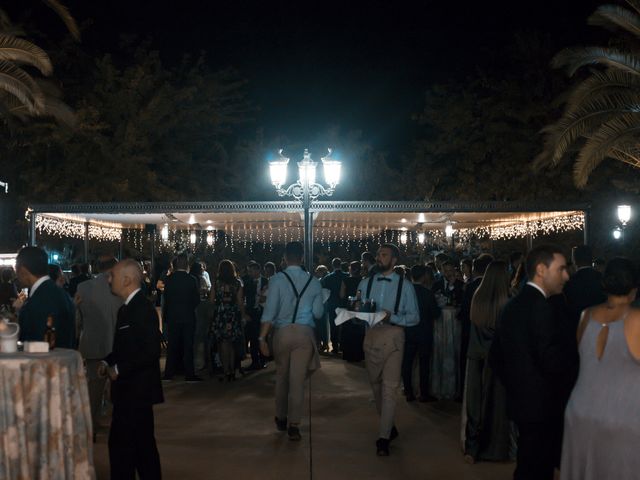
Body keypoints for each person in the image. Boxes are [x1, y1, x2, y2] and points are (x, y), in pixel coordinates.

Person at [489, 245, 576, 480]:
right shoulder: (541, 307)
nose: (566, 276)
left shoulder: (512, 305)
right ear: (541, 269)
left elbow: (495, 357)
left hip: (522, 403)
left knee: (528, 463)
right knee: (537, 467)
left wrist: (516, 385)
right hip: (542, 405)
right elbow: (551, 360)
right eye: (561, 269)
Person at [560, 258, 640, 480]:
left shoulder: (585, 316)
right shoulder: (636, 320)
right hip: (623, 419)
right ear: (634, 287)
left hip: (580, 412)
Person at [101, 259, 163, 479]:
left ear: (126, 279)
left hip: (137, 391)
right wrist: (107, 362)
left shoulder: (142, 309)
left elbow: (150, 350)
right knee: (136, 448)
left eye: (112, 276)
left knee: (131, 448)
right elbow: (123, 348)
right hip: (129, 392)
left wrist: (118, 369)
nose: (108, 279)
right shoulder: (126, 309)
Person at [358, 243, 419, 456]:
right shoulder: (365, 283)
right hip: (372, 335)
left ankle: (383, 439)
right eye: (378, 254)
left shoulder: (406, 286)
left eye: (384, 255)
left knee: (390, 388)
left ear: (394, 260)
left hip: (394, 336)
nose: (379, 257)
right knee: (375, 386)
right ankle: (389, 426)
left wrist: (392, 316)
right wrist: (357, 311)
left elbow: (414, 318)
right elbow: (359, 308)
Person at [259, 241, 324, 441]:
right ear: (302, 258)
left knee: (282, 376)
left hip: (283, 332)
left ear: (285, 258)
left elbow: (269, 311)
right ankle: (294, 425)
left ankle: (281, 417)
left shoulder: (277, 280)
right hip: (304, 333)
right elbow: (318, 313)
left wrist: (262, 337)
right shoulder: (314, 282)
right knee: (298, 381)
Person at [464, 261, 511, 463]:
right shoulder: (507, 300)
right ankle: (494, 448)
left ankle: (472, 448)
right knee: (495, 405)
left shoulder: (478, 297)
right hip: (497, 358)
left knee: (474, 404)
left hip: (475, 355)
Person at [76, 255, 122, 439]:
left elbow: (78, 319)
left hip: (94, 344)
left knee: (94, 389)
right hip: (118, 345)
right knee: (120, 388)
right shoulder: (120, 288)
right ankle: (118, 424)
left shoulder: (84, 288)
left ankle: (91, 425)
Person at [15, 246, 75, 348]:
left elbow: (36, 344)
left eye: (16, 268)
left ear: (23, 270)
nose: (16, 274)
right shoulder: (59, 293)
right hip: (62, 359)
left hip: (44, 361)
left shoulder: (40, 299)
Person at [402, 264, 440, 402]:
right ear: (424, 276)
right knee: (424, 364)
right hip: (424, 331)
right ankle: (424, 393)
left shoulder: (405, 292)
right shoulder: (427, 293)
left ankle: (408, 391)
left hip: (409, 331)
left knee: (407, 362)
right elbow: (436, 313)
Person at [458, 254, 494, 399]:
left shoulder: (471, 287)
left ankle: (464, 393)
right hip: (489, 331)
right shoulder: (493, 287)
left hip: (471, 330)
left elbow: (465, 311)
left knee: (467, 363)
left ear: (474, 269)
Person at [162, 253, 202, 382]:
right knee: (188, 346)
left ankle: (169, 373)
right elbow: (196, 300)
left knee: (172, 346)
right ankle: (189, 374)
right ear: (186, 264)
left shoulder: (169, 280)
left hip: (173, 316)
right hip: (188, 316)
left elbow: (166, 299)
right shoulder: (192, 280)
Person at [211, 260, 248, 381]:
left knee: (222, 343)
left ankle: (225, 370)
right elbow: (240, 301)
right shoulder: (237, 283)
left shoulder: (216, 283)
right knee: (232, 343)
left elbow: (212, 301)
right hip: (232, 315)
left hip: (221, 314)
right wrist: (243, 315)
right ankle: (232, 370)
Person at [242, 261, 268, 370]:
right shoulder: (247, 281)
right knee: (253, 337)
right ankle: (254, 361)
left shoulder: (266, 281)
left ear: (258, 270)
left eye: (251, 271)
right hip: (251, 312)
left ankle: (263, 360)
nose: (250, 273)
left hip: (263, 312)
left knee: (262, 336)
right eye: (249, 271)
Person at [340, 260, 366, 362]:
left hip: (349, 307)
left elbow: (342, 295)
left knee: (348, 331)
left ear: (351, 269)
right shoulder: (363, 280)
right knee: (359, 331)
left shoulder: (346, 280)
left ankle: (348, 354)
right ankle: (359, 354)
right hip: (360, 308)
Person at [321, 257, 348, 353]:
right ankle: (344, 345)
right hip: (344, 304)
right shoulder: (347, 276)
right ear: (340, 264)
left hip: (332, 304)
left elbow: (325, 293)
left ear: (332, 265)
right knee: (344, 325)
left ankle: (335, 346)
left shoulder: (328, 278)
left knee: (333, 325)